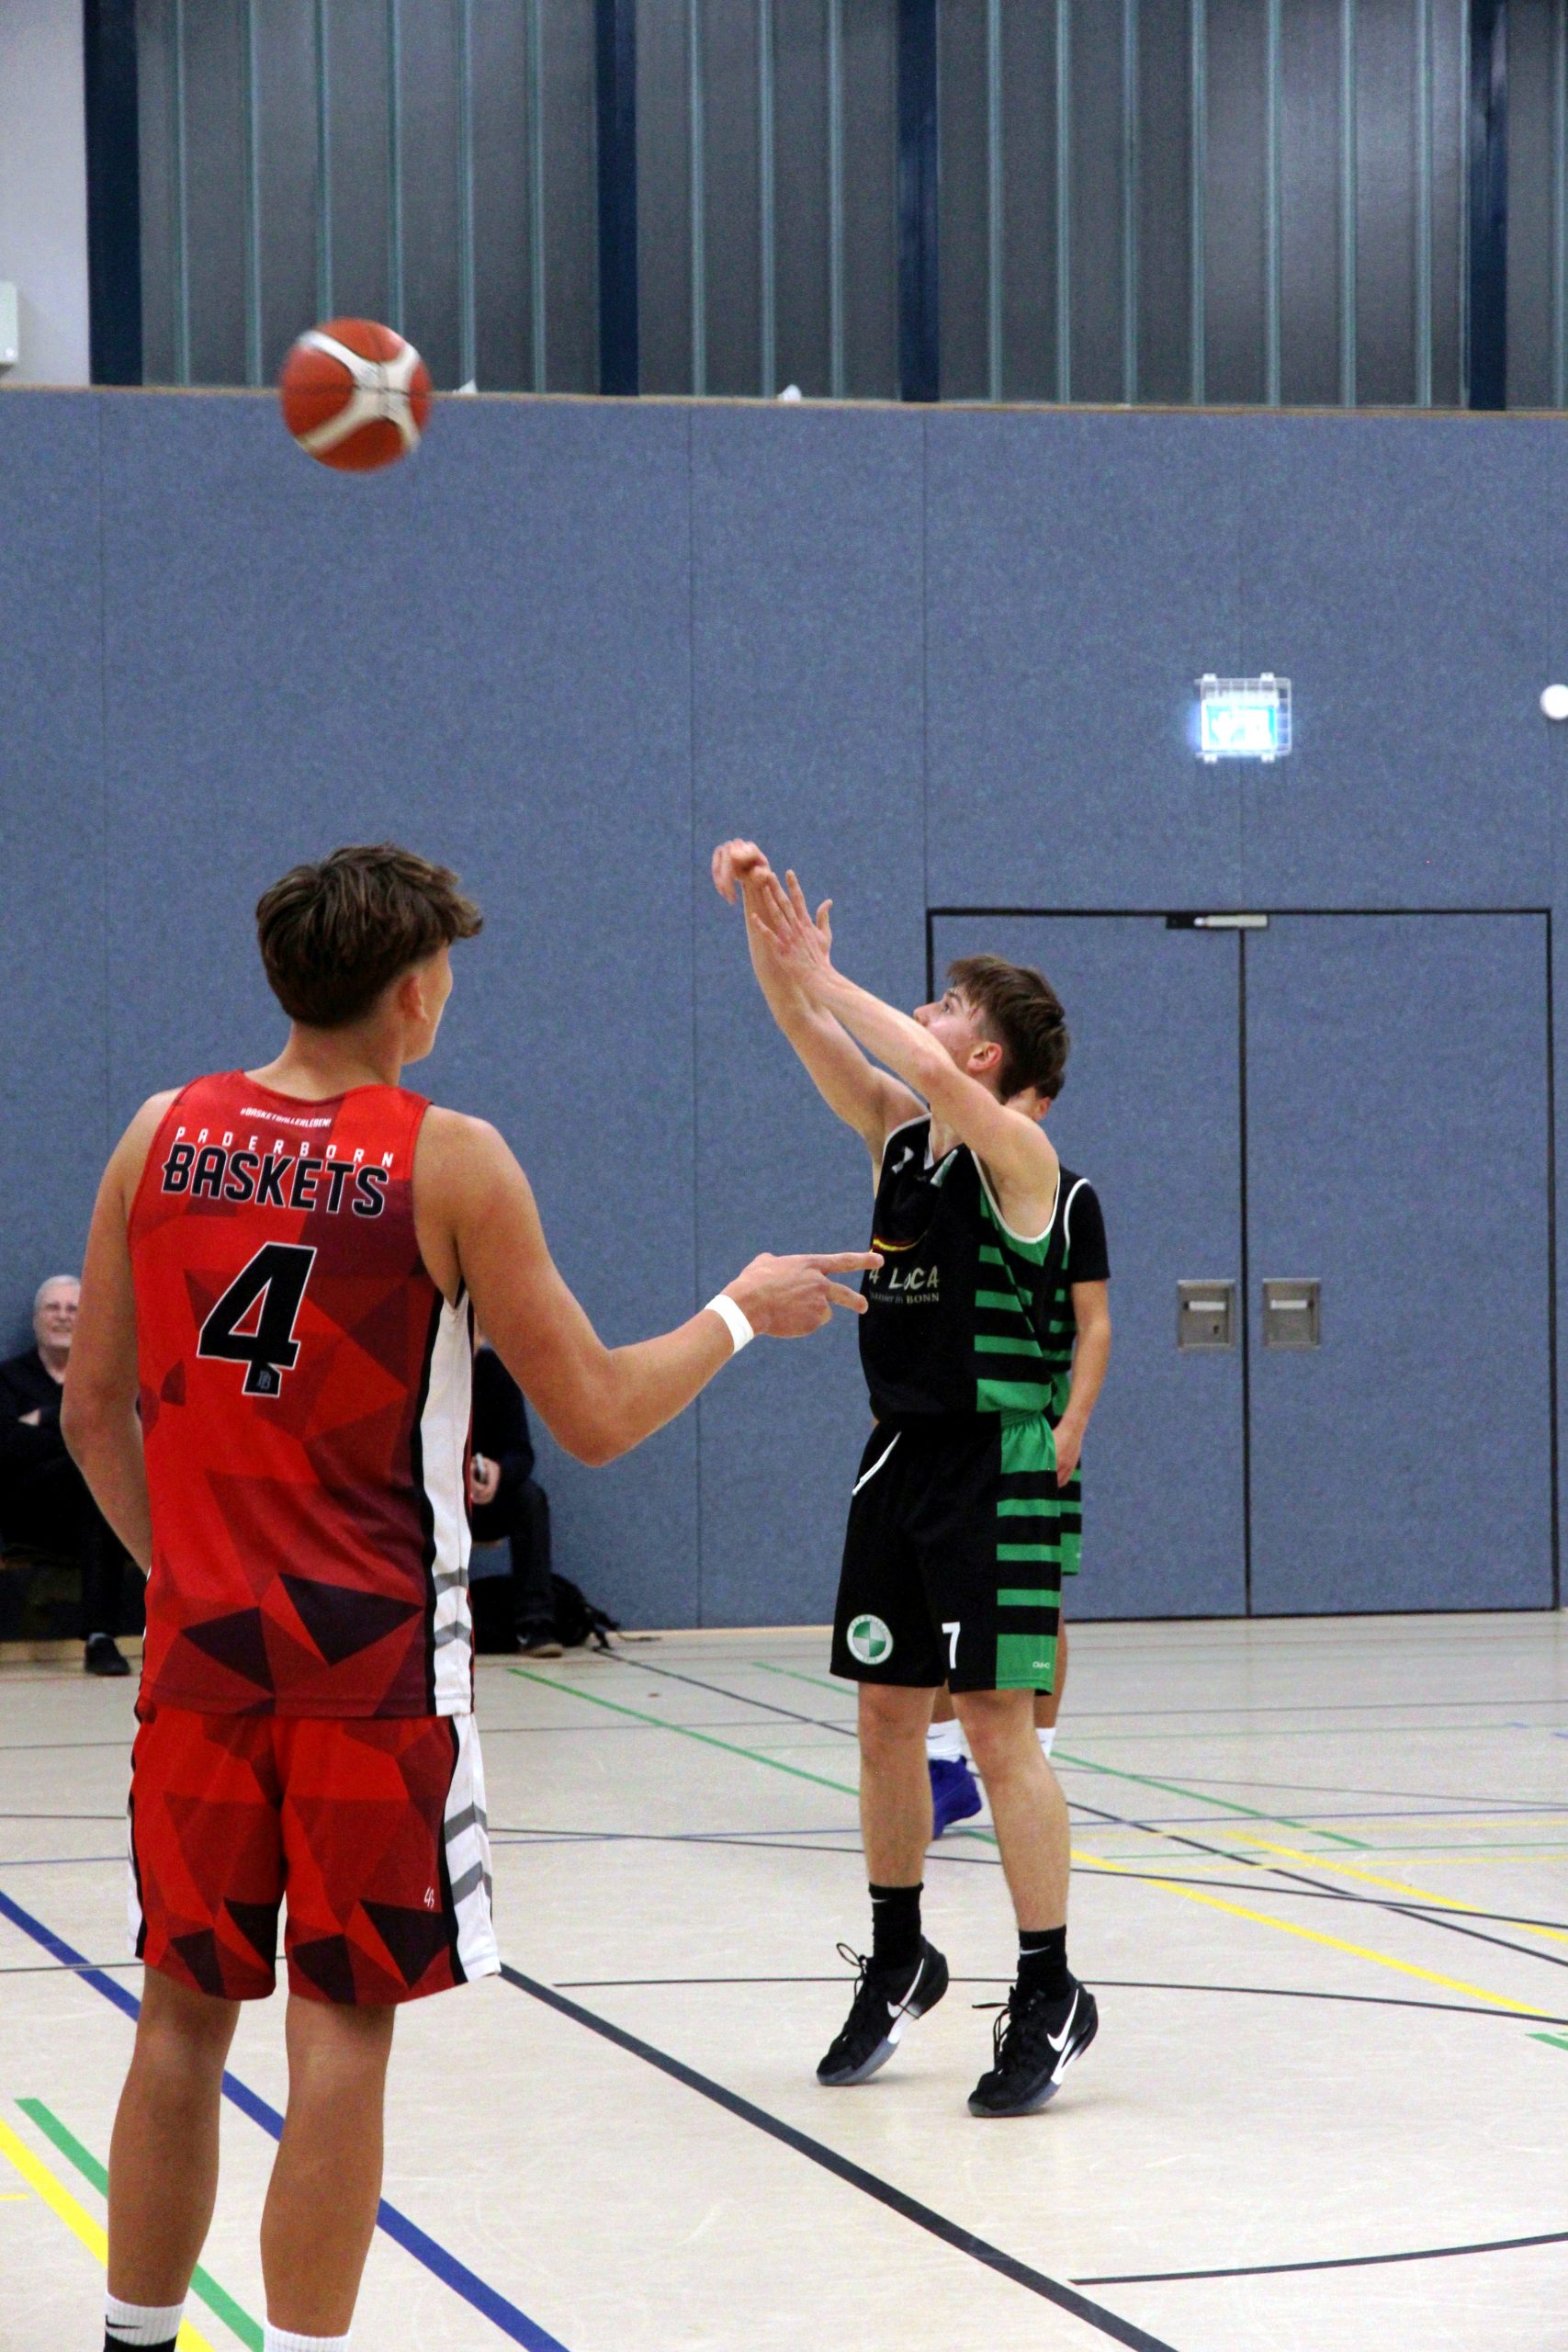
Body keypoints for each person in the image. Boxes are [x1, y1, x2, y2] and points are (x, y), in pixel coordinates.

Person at [63, 841, 878, 2352]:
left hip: (202, 1659)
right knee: (340, 2034)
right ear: (412, 992)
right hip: (374, 1671)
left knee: (179, 2017)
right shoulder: (447, 1159)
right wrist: (736, 1310)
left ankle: (132, 2337)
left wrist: (182, 1578)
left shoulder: (156, 1135)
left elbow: (90, 1410)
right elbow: (597, 1414)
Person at [715, 838, 1104, 2118]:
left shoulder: (1021, 1161)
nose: (924, 1018)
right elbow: (808, 1028)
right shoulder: (899, 1139)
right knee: (884, 1716)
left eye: (944, 1007)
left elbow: (914, 1059)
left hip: (997, 1461)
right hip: (896, 1453)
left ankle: (1048, 1986)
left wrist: (829, 973)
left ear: (986, 1056)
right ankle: (899, 1955)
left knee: (994, 1726)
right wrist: (769, 936)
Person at [926, 1182, 1111, 1831]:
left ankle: (1037, 1764)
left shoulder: (1070, 1198)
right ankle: (942, 1767)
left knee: (1038, 1597)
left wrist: (1073, 1426)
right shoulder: (948, 1187)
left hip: (1035, 1426)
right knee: (938, 1594)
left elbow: (1095, 1324)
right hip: (948, 1428)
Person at [0, 1275, 135, 1674]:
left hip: (96, 1517)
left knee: (95, 1483)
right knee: (90, 1469)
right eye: (53, 1308)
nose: (62, 1317)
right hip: (28, 1513)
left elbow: (126, 1439)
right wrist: (79, 1434)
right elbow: (5, 1446)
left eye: (73, 1309)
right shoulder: (7, 1378)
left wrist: (41, 1420)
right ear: (37, 1319)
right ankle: (100, 1637)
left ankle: (100, 1637)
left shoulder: (105, 1380)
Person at [468, 1331, 560, 1657]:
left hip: (485, 1499)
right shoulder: (427, 1374)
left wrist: (498, 1472)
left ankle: (535, 1625)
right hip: (438, 1497)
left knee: (530, 1499)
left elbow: (522, 1453)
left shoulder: (497, 1372)